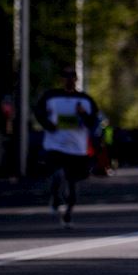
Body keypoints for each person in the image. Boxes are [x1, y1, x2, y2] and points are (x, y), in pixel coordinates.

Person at [35, 67, 100, 229]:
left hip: (77, 148)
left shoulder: (85, 100)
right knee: (57, 174)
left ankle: (68, 214)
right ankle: (56, 196)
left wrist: (83, 114)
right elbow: (39, 113)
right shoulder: (51, 97)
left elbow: (94, 122)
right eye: (66, 76)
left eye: (72, 76)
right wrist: (49, 125)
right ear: (61, 79)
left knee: (72, 184)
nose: (69, 79)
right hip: (55, 145)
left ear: (76, 79)